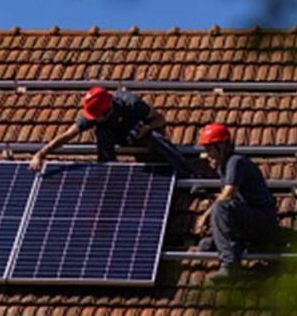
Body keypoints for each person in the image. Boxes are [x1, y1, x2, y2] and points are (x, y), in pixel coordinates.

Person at [28, 86, 194, 176]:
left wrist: (147, 128)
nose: (93, 119)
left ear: (108, 110)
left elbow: (160, 119)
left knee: (155, 137)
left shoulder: (131, 104)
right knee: (102, 132)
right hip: (116, 137)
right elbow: (67, 135)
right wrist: (41, 154)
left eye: (97, 116)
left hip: (140, 133)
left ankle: (188, 174)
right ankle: (108, 172)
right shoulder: (93, 116)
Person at [194, 122, 278, 282]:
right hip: (247, 223)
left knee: (220, 206)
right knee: (206, 245)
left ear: (222, 146)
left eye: (209, 149)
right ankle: (240, 245)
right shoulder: (224, 168)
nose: (207, 155)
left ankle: (230, 266)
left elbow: (227, 195)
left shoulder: (235, 162)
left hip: (263, 221)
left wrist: (205, 216)